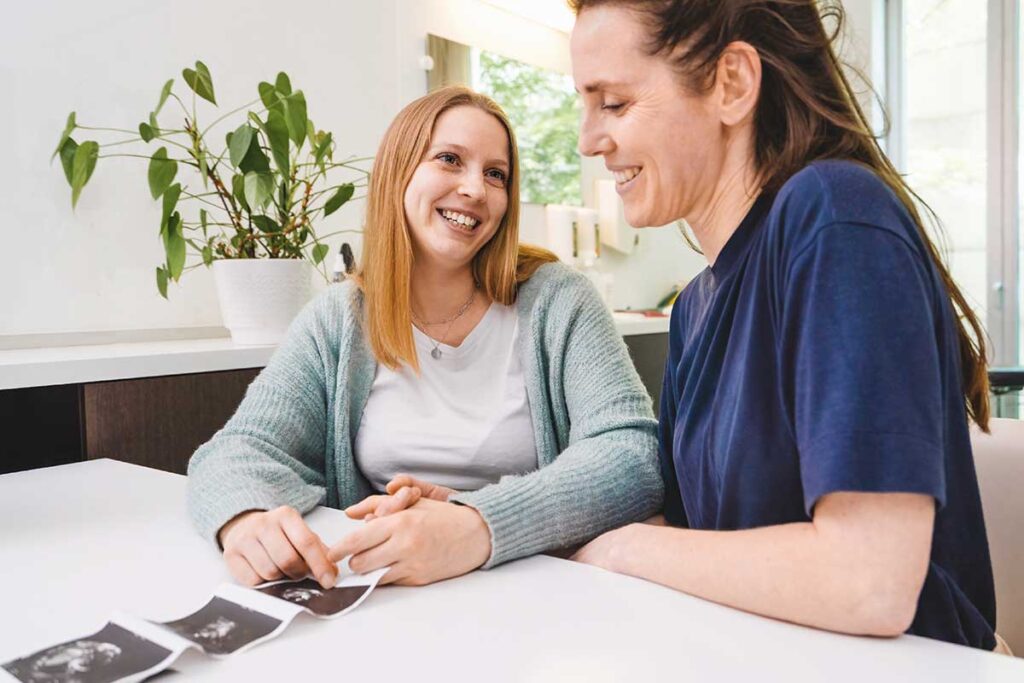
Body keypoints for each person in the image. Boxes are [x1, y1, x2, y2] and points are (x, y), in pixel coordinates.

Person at [566, 0, 1006, 653]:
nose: (587, 139)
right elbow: (697, 545)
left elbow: (870, 579)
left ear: (732, 83)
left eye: (615, 104)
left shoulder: (834, 216)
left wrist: (624, 549)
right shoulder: (695, 307)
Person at [186, 85, 662, 589]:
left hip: (533, 592)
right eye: (450, 160)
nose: (476, 189)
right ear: (399, 171)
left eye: (495, 174)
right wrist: (244, 520)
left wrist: (476, 522)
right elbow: (237, 451)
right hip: (387, 598)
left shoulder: (559, 300)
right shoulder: (339, 318)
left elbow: (632, 454)